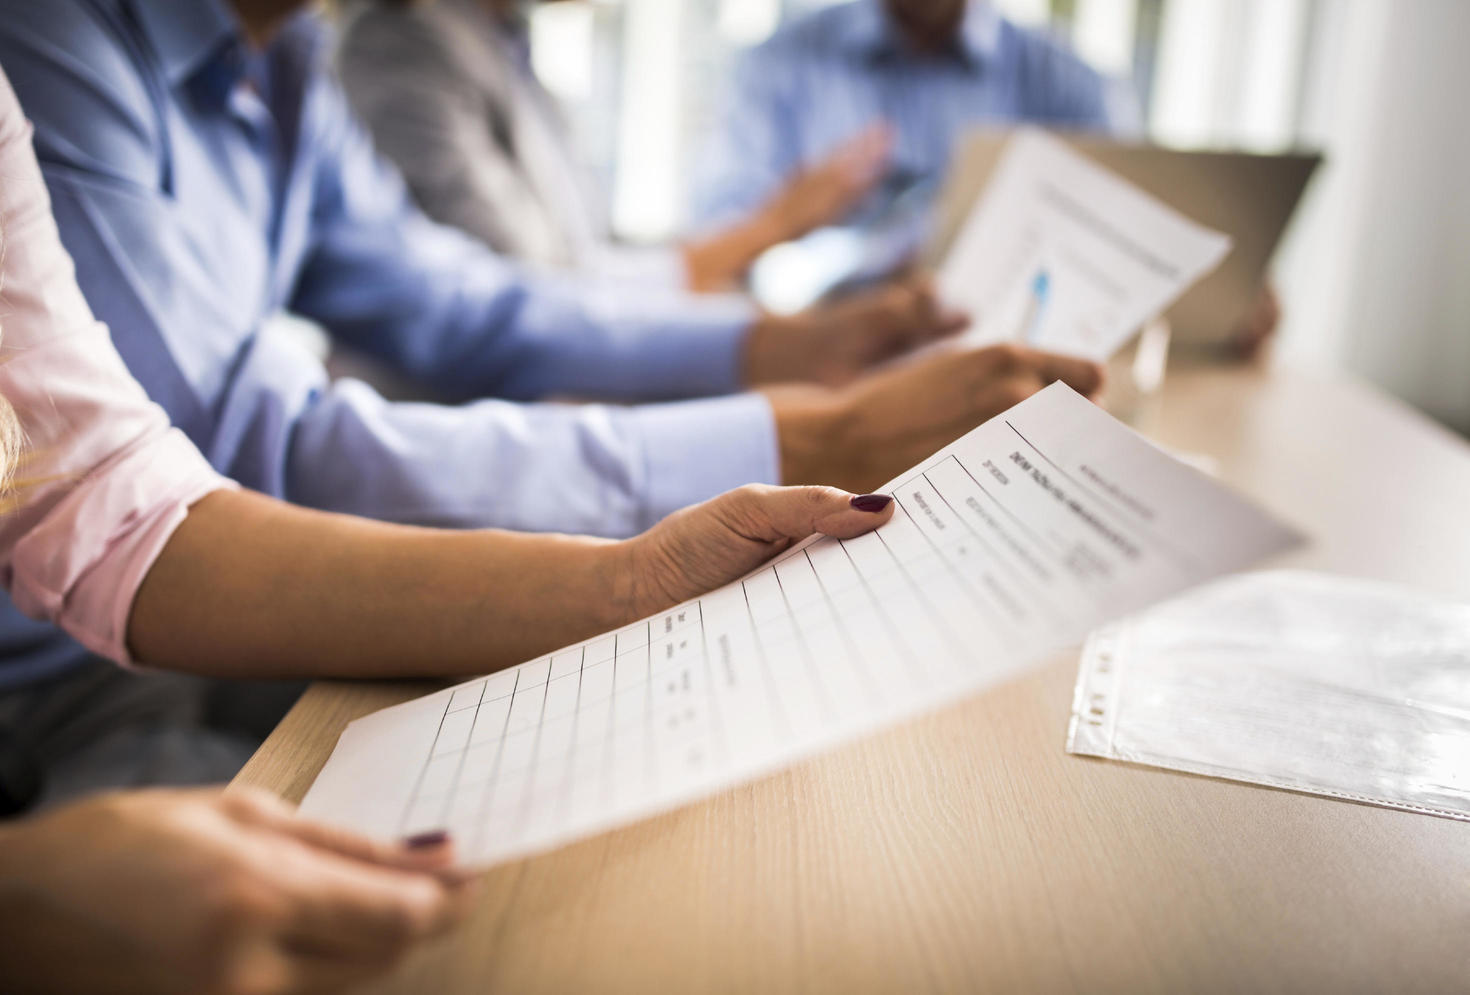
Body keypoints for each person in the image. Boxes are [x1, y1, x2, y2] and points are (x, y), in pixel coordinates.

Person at [0, 0, 1105, 775]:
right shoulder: (55, 42)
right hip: (73, 681)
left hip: (173, 609)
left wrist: (766, 367)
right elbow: (225, 453)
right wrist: (794, 431)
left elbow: (467, 305)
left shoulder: (287, 55)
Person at [695, 0, 1279, 354]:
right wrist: (783, 221)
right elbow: (709, 261)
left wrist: (1217, 302)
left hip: (1015, 382)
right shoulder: (777, 65)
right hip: (821, 363)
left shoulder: (1072, 81)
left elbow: (1137, 243)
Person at [337, 0, 892, 294]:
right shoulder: (403, 42)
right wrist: (764, 230)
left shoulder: (506, 47)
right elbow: (533, 286)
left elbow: (586, 249)